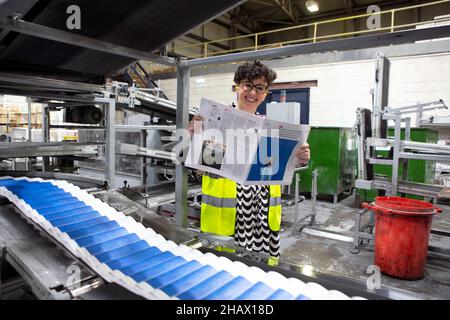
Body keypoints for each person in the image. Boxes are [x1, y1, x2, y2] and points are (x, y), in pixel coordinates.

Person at [188, 60, 310, 257]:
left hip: (262, 218)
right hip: (226, 218)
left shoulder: (271, 129)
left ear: (266, 93)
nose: (252, 93)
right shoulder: (215, 122)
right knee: (223, 273)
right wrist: (195, 138)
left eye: (259, 88)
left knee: (258, 274)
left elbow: (279, 169)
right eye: (248, 85)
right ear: (237, 86)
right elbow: (199, 170)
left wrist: (299, 158)